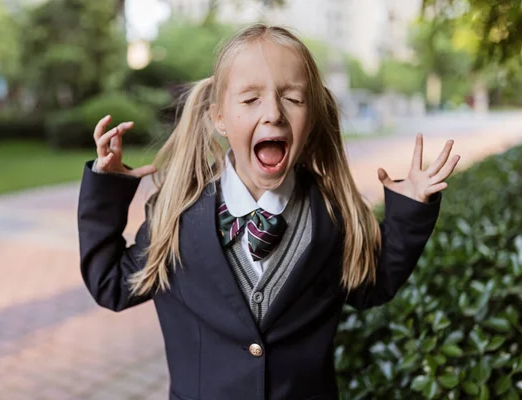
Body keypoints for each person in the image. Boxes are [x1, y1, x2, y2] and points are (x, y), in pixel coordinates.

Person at [77, 24, 460, 400]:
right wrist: (105, 187)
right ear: (219, 118)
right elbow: (111, 284)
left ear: (311, 120)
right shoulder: (175, 215)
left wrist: (410, 210)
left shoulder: (334, 216)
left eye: (293, 99)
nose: (274, 113)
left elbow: (372, 286)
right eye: (250, 100)